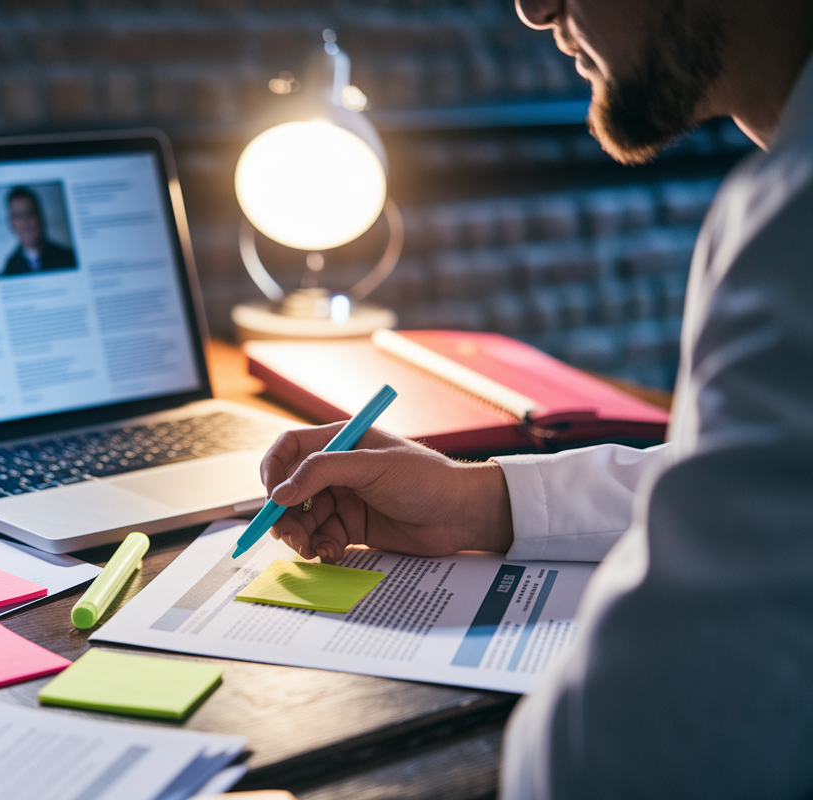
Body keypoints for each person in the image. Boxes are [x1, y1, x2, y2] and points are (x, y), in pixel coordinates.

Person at [259, 0, 813, 795]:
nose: (533, 9)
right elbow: (765, 497)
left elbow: (630, 758)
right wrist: (471, 502)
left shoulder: (795, 224)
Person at [0, 186, 77, 277]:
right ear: (11, 223)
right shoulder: (8, 271)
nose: (25, 222)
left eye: (29, 213)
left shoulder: (69, 258)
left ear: (40, 216)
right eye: (18, 216)